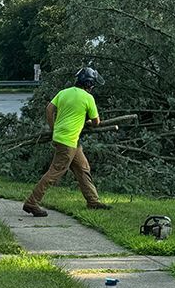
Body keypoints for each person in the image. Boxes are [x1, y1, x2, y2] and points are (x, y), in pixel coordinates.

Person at [23, 67, 111, 217]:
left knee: (83, 168)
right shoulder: (88, 98)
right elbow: (96, 122)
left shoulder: (63, 92)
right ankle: (31, 203)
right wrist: (87, 121)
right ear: (89, 84)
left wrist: (54, 127)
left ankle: (93, 201)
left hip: (65, 138)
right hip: (68, 141)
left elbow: (49, 109)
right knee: (55, 172)